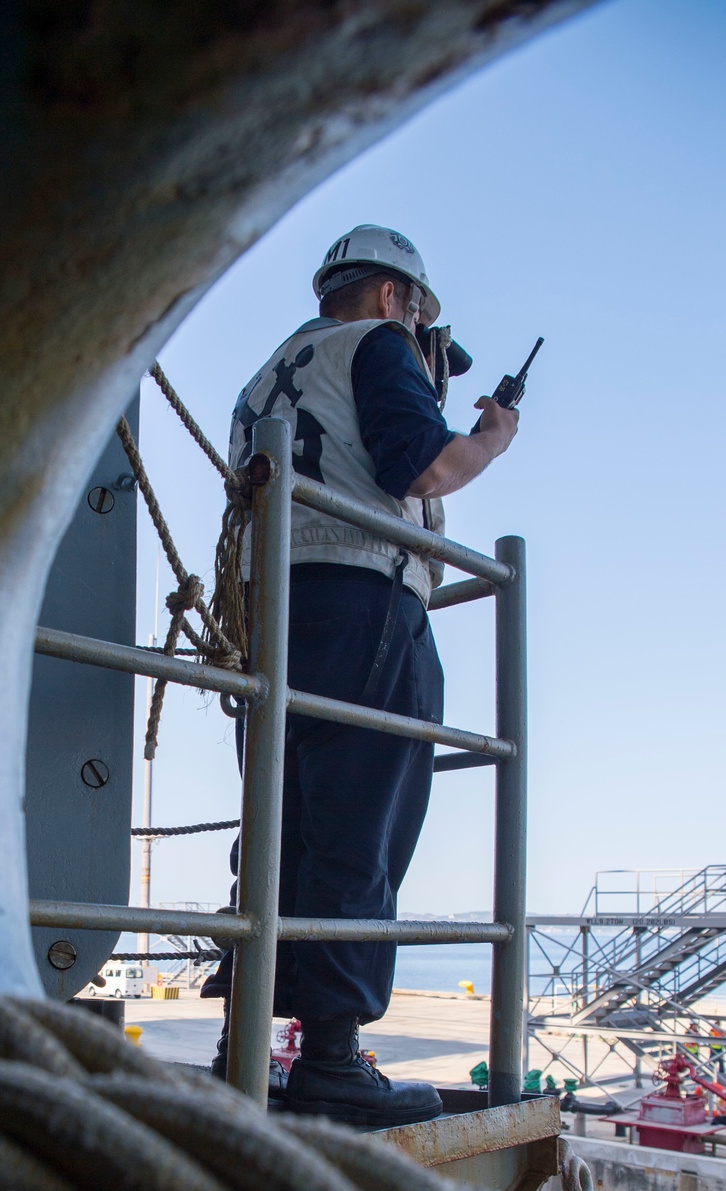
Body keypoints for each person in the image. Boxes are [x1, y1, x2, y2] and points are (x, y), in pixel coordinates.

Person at [204, 224, 520, 1126]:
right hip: (365, 600)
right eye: (425, 328)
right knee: (362, 824)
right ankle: (334, 1061)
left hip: (271, 609)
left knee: (278, 821)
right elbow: (418, 462)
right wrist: (490, 437)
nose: (428, 352)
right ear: (394, 298)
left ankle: (246, 1043)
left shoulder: (266, 372)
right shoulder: (380, 345)